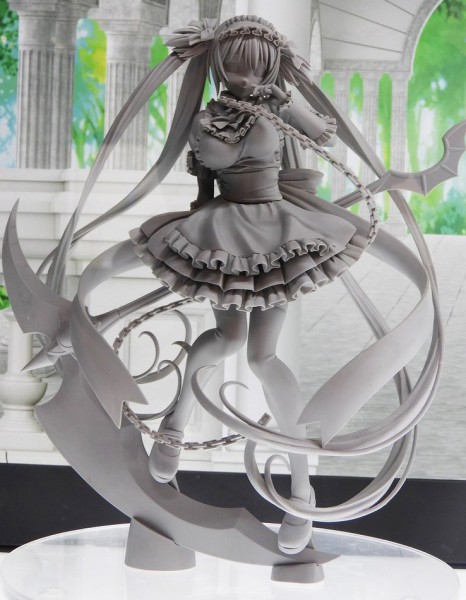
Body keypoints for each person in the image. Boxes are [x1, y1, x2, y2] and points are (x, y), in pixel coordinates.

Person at [126, 15, 371, 554]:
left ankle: (300, 489)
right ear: (219, 65)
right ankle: (176, 423)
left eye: (255, 68)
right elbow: (205, 177)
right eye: (234, 67)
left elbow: (323, 135)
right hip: (226, 228)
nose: (243, 77)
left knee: (263, 357)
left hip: (278, 231)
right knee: (228, 338)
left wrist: (284, 101)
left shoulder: (274, 104)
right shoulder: (207, 117)